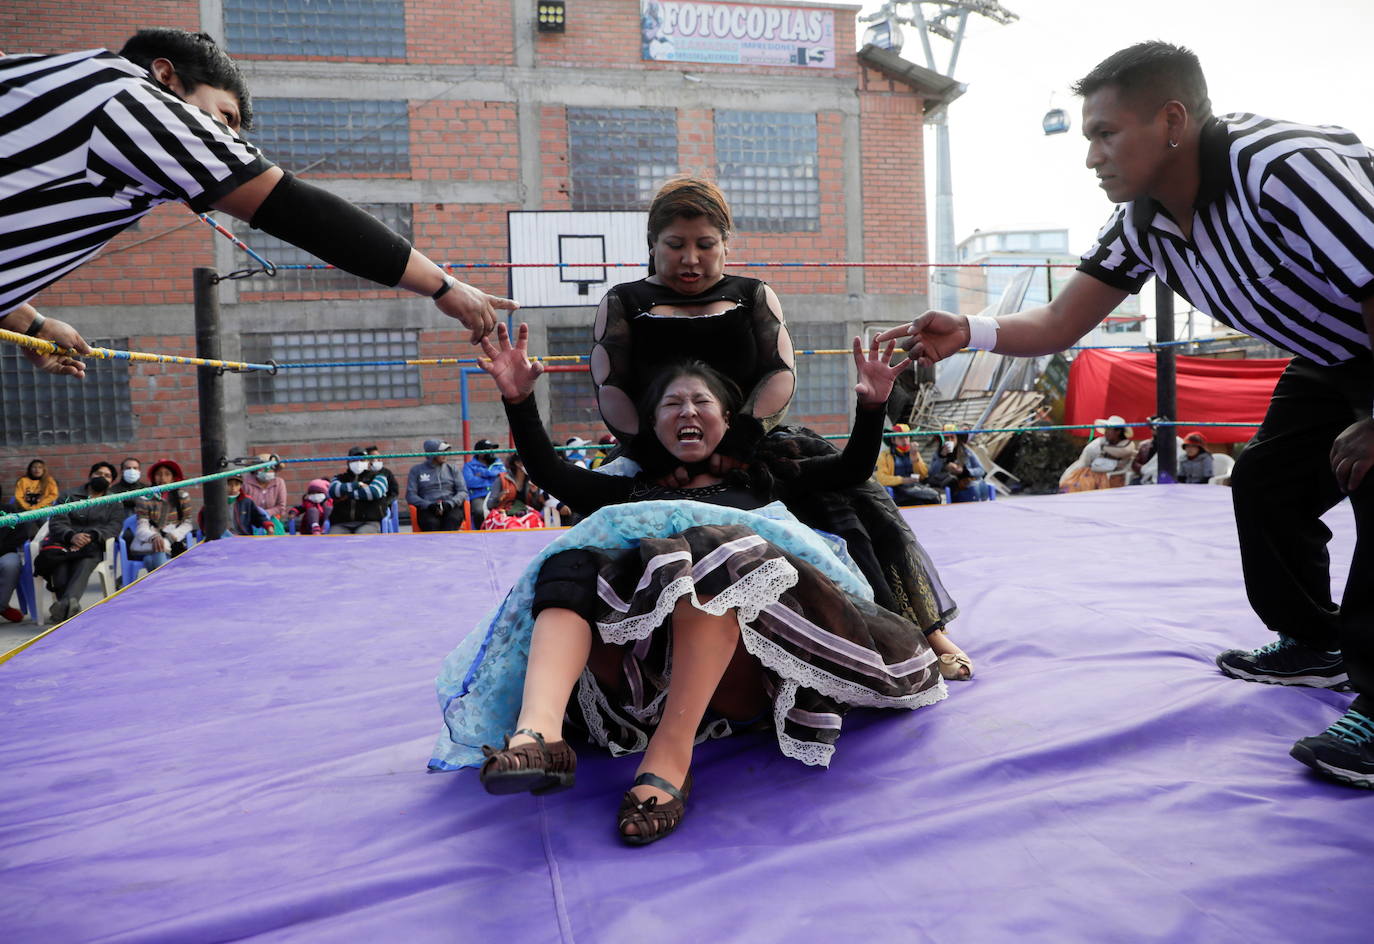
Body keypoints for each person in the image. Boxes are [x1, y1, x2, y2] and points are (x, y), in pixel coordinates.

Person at [877, 41, 1374, 788]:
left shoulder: (1282, 169)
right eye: (1088, 138)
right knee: (1270, 480)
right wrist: (967, 331)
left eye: (1106, 134)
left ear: (1173, 120)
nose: (1092, 158)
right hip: (1339, 353)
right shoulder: (1144, 222)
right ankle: (1314, 640)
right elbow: (1055, 324)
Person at [431, 324, 945, 847]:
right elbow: (550, 471)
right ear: (653, 427)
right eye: (671, 404)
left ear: (727, 419)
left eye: (702, 401)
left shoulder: (767, 478)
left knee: (709, 547)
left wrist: (874, 405)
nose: (687, 411)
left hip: (745, 673)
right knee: (571, 559)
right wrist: (518, 399)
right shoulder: (632, 491)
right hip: (642, 682)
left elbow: (853, 467)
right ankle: (539, 734)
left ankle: (671, 758)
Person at [588, 176, 970, 678]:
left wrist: (742, 440)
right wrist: (657, 457)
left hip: (755, 448)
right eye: (675, 245)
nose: (690, 259)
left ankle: (917, 633)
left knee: (853, 513)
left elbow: (779, 371)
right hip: (656, 449)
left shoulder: (754, 294)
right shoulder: (624, 300)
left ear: (726, 245)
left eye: (705, 245)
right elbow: (610, 383)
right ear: (653, 245)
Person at [0, 29, 516, 379]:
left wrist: (30, 323)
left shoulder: (54, 81)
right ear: (166, 75)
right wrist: (444, 286)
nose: (225, 139)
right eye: (222, 117)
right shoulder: (136, 102)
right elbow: (293, 208)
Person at [32, 462, 123, 622]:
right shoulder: (68, 495)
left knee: (83, 565)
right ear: (90, 475)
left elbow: (114, 526)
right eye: (98, 473)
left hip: (92, 547)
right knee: (60, 571)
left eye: (107, 475)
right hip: (63, 544)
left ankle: (62, 609)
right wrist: (71, 536)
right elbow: (57, 521)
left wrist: (92, 536)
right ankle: (69, 608)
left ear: (111, 481)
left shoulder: (114, 501)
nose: (102, 477)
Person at [131, 459, 193, 571]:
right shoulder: (144, 497)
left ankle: (161, 585)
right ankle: (167, 583)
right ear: (153, 477)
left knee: (149, 560)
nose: (162, 478)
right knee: (157, 550)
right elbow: (142, 525)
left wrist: (171, 537)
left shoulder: (182, 496)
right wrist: (153, 537)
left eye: (167, 474)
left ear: (173, 478)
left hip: (174, 540)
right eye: (159, 474)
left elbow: (187, 523)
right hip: (150, 540)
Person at [1058, 416, 1138, 492]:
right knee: (1071, 483)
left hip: (1111, 474)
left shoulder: (1127, 446)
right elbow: (1085, 461)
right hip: (1092, 470)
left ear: (1118, 432)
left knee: (1086, 485)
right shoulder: (1098, 444)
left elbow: (1123, 452)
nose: (1106, 432)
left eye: (1109, 429)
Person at [407, 439, 467, 532]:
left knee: (453, 519)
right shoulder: (416, 470)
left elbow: (462, 491)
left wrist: (450, 504)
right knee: (431, 523)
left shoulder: (453, 469)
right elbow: (410, 495)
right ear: (432, 454)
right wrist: (428, 505)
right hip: (428, 508)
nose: (445, 454)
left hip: (450, 506)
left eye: (446, 452)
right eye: (441, 452)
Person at [328, 447, 391, 534]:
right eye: (354, 460)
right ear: (348, 462)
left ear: (368, 462)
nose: (358, 463)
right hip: (341, 523)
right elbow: (333, 491)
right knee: (333, 539)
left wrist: (346, 494)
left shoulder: (379, 476)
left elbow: (374, 492)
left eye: (362, 460)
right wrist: (358, 485)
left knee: (362, 537)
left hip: (369, 522)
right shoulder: (339, 478)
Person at [876, 423, 942, 506]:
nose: (905, 440)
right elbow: (881, 479)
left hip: (914, 487)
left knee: (934, 498)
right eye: (901, 437)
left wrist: (915, 459)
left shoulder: (914, 452)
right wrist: (903, 480)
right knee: (932, 496)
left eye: (907, 437)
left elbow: (924, 475)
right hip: (898, 490)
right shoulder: (885, 455)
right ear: (893, 440)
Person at [928, 424, 994, 503]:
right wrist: (942, 457)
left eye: (952, 437)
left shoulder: (967, 452)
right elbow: (932, 473)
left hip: (967, 483)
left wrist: (964, 471)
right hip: (951, 487)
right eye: (946, 438)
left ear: (957, 438)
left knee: (975, 487)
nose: (949, 440)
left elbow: (981, 470)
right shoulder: (938, 453)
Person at [481, 454, 546, 530]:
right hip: (504, 515)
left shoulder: (532, 481)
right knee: (512, 525)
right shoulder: (502, 478)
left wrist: (534, 493)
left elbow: (537, 508)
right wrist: (499, 498)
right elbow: (489, 505)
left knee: (535, 522)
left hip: (525, 514)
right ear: (517, 463)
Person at [240, 455, 287, 533]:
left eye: (270, 468)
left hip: (273, 520)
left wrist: (266, 513)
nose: (267, 471)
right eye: (263, 467)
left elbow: (281, 507)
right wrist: (257, 513)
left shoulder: (279, 482)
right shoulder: (246, 482)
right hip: (251, 520)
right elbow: (243, 505)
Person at [462, 439, 505, 522]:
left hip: (497, 494)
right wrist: (493, 479)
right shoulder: (469, 466)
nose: (491, 452)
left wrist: (484, 473)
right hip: (479, 496)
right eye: (488, 450)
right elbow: (470, 482)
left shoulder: (498, 463)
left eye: (492, 449)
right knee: (479, 511)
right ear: (479, 453)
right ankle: (480, 533)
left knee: (506, 509)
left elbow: (503, 477)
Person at [0, 517, 33, 622]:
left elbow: (20, 535)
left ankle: (2, 606)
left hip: (5, 552)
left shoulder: (8, 511)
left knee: (11, 564)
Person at [365, 446, 400, 516]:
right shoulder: (364, 474)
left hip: (383, 507)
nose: (379, 459)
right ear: (367, 460)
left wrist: (385, 503)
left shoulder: (386, 473)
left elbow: (394, 492)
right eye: (375, 458)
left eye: (380, 457)